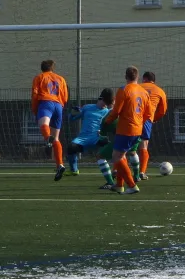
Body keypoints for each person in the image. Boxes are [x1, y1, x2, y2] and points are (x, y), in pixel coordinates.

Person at [104, 66, 151, 194]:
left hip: (126, 128)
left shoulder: (124, 90)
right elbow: (148, 114)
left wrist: (107, 121)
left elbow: (116, 111)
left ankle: (131, 185)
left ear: (126, 76)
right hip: (138, 128)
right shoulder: (144, 92)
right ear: (137, 77)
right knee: (122, 155)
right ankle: (119, 185)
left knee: (116, 157)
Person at [31, 60, 69, 181]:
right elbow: (65, 96)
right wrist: (60, 106)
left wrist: (35, 109)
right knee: (56, 138)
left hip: (46, 102)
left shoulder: (39, 77)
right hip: (58, 105)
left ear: (41, 68)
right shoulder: (61, 79)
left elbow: (35, 94)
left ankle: (47, 137)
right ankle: (60, 165)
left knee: (44, 124)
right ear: (52, 68)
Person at [65, 88, 114, 176]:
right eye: (106, 102)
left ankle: (116, 170)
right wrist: (73, 113)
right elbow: (72, 118)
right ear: (101, 98)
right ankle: (74, 170)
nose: (107, 105)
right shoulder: (87, 107)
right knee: (71, 147)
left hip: (98, 137)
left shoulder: (108, 112)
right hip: (83, 138)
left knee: (115, 147)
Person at [130, 71, 168, 181]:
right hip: (147, 119)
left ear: (144, 79)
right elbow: (162, 111)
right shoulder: (160, 91)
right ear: (154, 81)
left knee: (125, 145)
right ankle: (142, 172)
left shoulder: (136, 87)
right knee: (143, 145)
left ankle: (117, 170)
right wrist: (153, 119)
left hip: (132, 117)